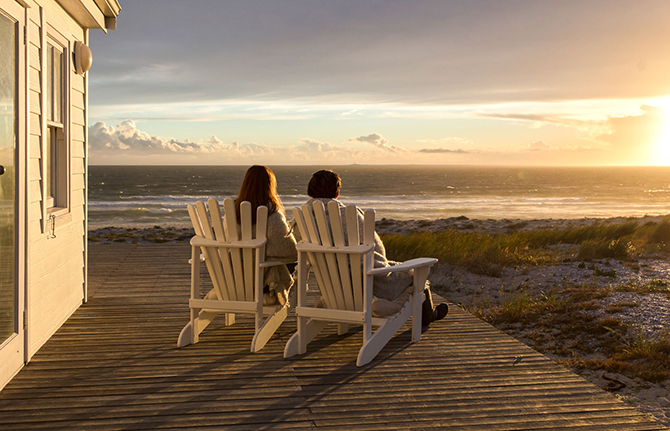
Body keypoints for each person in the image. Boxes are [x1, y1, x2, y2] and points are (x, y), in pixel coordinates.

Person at [300, 169, 448, 326]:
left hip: (332, 288)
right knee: (414, 274)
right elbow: (376, 249)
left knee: (399, 267)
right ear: (336, 193)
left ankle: (430, 313)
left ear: (311, 190)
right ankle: (429, 315)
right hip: (369, 285)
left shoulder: (303, 218)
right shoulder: (349, 215)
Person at [227, 165, 297, 306]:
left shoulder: (232, 211)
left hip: (233, 279)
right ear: (270, 186)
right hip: (261, 281)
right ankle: (272, 294)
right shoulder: (272, 212)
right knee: (291, 262)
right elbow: (289, 250)